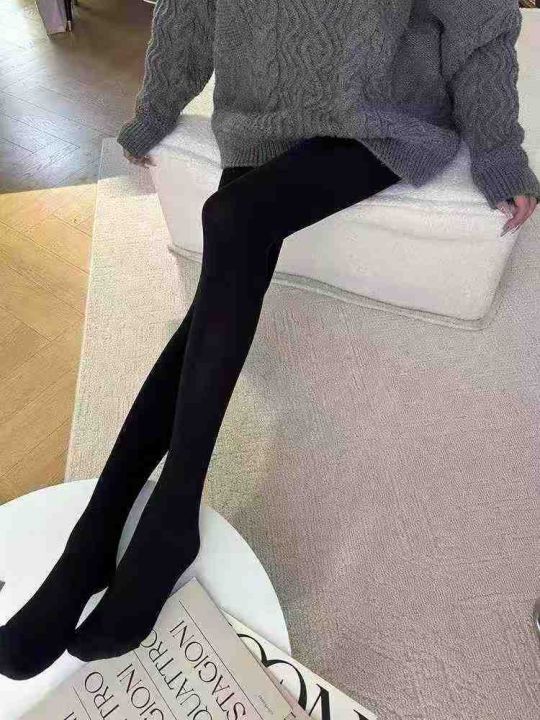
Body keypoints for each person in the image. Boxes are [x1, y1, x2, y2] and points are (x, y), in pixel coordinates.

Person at [0, 0, 538, 680]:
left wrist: (498, 150)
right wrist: (156, 110)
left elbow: (480, 26)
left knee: (233, 217)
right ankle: (101, 533)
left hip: (384, 116)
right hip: (260, 119)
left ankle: (153, 518)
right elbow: (187, 14)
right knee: (223, 276)